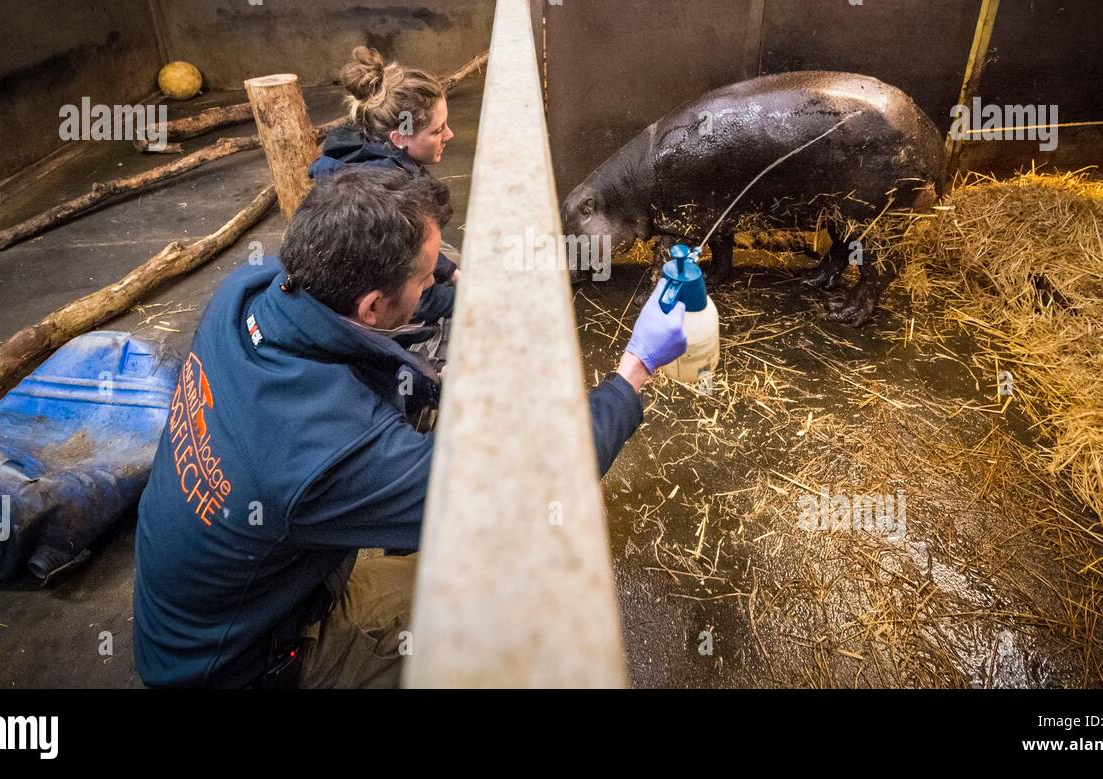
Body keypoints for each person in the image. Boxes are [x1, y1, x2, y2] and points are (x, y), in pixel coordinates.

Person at [132, 166, 687, 688]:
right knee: (515, 604)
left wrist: (469, 295)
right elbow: (539, 477)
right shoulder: (326, 450)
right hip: (232, 663)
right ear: (372, 305)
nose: (434, 284)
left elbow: (399, 328)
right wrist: (634, 369)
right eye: (425, 279)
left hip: (207, 604)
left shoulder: (250, 291)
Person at [313, 46, 458, 327]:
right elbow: (411, 301)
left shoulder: (375, 150)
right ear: (399, 137)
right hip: (367, 309)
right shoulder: (382, 200)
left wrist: (451, 271)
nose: (450, 134)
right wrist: (468, 298)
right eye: (437, 130)